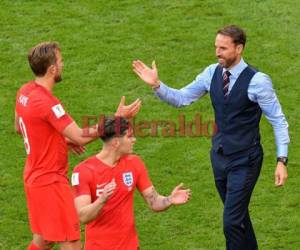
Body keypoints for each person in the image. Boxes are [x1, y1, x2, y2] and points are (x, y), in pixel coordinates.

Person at [132, 25, 290, 250]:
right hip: (219, 158)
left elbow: (278, 120)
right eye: (216, 47)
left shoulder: (258, 81)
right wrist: (157, 85)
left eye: (223, 48)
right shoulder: (211, 73)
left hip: (246, 160)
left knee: (231, 222)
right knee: (238, 217)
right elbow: (182, 98)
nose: (217, 53)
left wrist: (281, 160)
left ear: (239, 48)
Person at [15, 41, 141, 250]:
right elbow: (80, 136)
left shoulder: (24, 92)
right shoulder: (47, 102)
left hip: (32, 177)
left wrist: (59, 140)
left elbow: (21, 127)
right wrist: (116, 119)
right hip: (51, 181)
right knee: (72, 242)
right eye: (61, 61)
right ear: (52, 69)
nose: (63, 65)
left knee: (44, 240)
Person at [72, 116, 191, 250]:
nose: (134, 140)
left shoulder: (134, 163)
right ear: (116, 142)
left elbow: (154, 201)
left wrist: (170, 199)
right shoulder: (83, 171)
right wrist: (102, 200)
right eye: (130, 137)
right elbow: (83, 216)